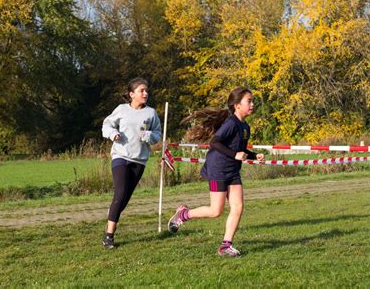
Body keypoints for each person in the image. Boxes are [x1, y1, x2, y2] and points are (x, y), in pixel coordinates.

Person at [168, 87, 265, 257]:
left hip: (233, 171)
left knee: (238, 207)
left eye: (252, 100)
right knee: (216, 211)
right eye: (248, 101)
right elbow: (215, 143)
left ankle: (225, 246)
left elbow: (240, 149)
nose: (252, 104)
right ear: (237, 105)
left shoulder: (245, 127)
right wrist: (235, 154)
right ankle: (183, 214)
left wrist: (254, 155)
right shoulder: (230, 123)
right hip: (217, 169)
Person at [101, 77, 161, 249]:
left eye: (146, 90)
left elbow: (157, 135)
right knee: (119, 194)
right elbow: (106, 125)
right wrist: (113, 134)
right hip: (120, 156)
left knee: (124, 199)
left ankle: (111, 216)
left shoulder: (151, 113)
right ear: (131, 94)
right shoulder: (121, 110)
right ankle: (109, 236)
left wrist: (149, 136)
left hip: (139, 160)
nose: (145, 93)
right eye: (141, 90)